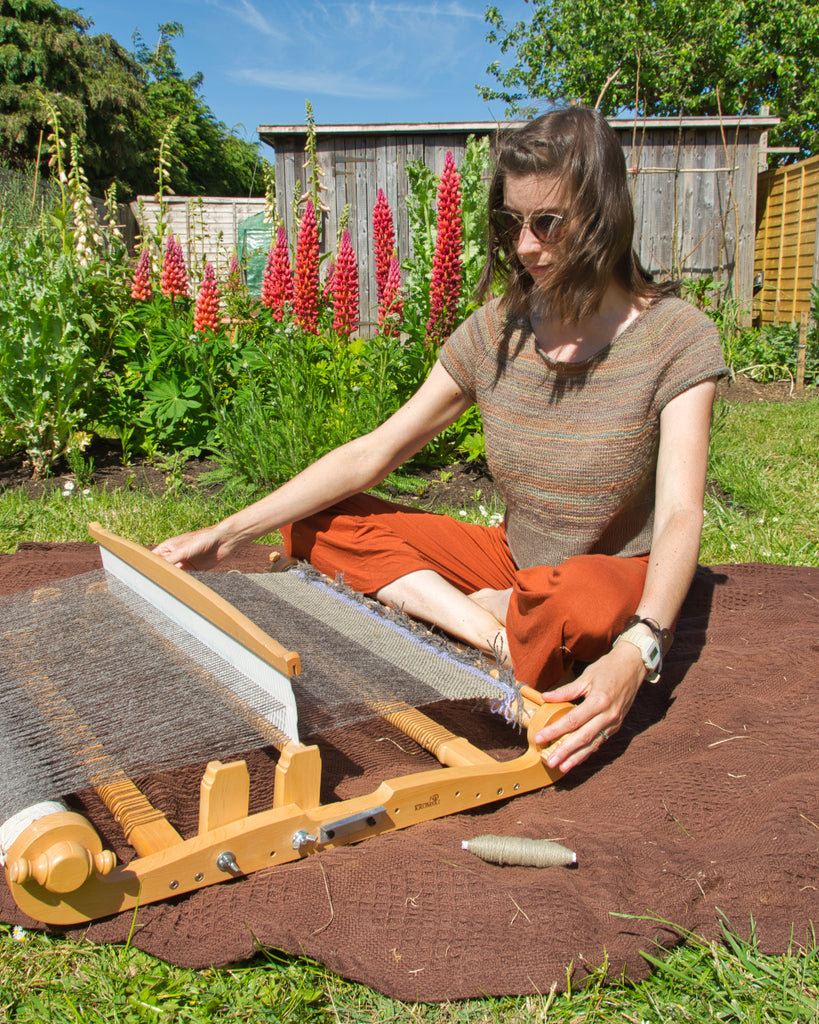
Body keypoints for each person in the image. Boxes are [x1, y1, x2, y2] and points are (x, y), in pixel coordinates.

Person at [154, 106, 728, 774]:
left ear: (602, 215)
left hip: (611, 570)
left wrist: (640, 648)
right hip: (510, 560)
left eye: (546, 223)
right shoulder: (497, 331)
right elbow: (378, 450)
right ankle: (495, 631)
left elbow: (683, 510)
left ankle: (502, 617)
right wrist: (226, 533)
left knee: (581, 604)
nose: (524, 248)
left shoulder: (676, 337)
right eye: (511, 224)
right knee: (315, 523)